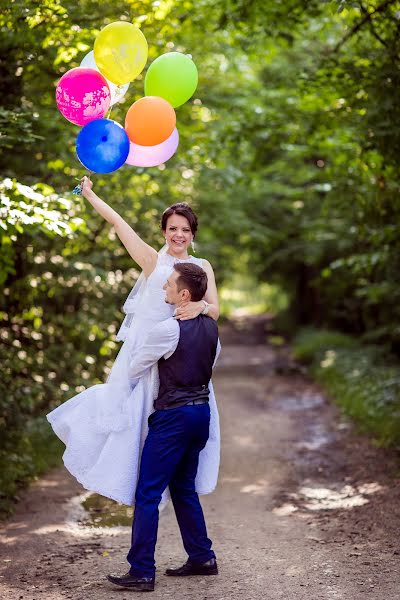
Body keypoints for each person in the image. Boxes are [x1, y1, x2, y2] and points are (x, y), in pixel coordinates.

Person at [47, 177, 220, 507]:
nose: (178, 235)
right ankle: (135, 488)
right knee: (136, 427)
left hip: (183, 358)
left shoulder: (202, 267)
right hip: (148, 354)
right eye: (172, 228)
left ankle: (171, 489)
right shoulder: (153, 263)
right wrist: (89, 194)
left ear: (193, 234)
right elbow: (117, 222)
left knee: (175, 430)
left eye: (185, 229)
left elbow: (216, 311)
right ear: (164, 232)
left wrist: (201, 305)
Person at [107, 262, 219, 592]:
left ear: (184, 294)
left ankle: (141, 570)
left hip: (173, 417)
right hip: (201, 414)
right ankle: (202, 557)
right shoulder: (211, 328)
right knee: (183, 487)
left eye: (169, 284)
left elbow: (135, 367)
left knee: (148, 492)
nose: (163, 288)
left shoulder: (167, 330)